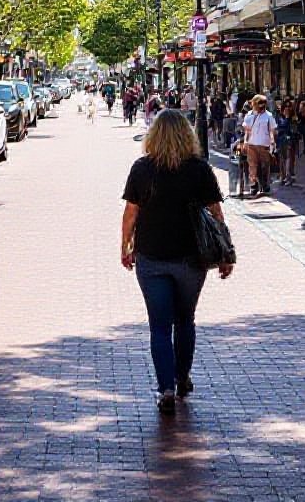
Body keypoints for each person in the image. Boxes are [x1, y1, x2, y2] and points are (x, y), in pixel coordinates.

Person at [120, 109, 234, 413]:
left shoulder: (142, 168)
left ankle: (166, 388)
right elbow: (217, 214)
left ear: (154, 136)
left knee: (159, 327)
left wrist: (125, 244)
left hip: (152, 257)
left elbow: (131, 213)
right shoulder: (199, 169)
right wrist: (225, 253)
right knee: (185, 320)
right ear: (187, 135)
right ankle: (182, 377)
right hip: (191, 259)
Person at [242, 94, 277, 197]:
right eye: (259, 103)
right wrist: (245, 142)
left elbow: (272, 130)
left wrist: (272, 142)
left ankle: (265, 185)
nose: (262, 106)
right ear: (254, 104)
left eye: (263, 103)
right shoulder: (249, 115)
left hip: (264, 144)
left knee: (264, 166)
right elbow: (247, 131)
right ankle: (254, 185)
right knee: (253, 166)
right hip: (252, 144)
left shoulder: (268, 116)